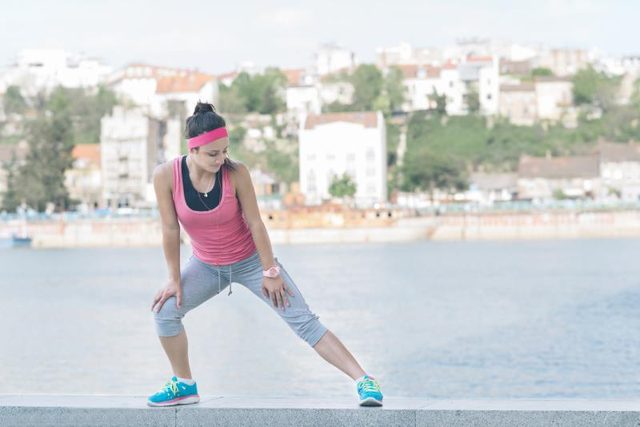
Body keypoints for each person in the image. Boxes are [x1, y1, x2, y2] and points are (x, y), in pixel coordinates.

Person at [147, 102, 383, 407]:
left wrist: (269, 271)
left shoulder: (237, 173)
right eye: (213, 154)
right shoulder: (166, 176)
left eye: (225, 150)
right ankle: (184, 384)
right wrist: (174, 279)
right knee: (164, 311)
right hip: (206, 265)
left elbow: (256, 223)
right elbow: (170, 230)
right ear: (192, 150)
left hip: (251, 261)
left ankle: (364, 381)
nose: (221, 159)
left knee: (304, 321)